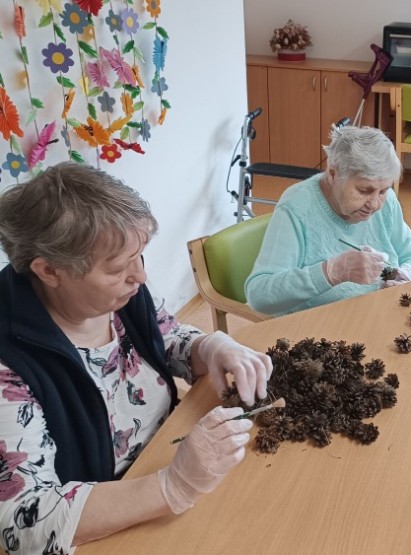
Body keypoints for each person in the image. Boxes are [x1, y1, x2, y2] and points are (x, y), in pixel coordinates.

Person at [0, 163, 273, 552]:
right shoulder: (9, 366)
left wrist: (209, 347)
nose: (140, 277)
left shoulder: (116, 292)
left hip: (172, 459)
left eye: (139, 256)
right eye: (117, 268)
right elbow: (23, 521)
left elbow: (166, 336)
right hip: (111, 526)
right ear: (49, 270)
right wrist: (172, 487)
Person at [245, 125, 411, 317]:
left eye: (382, 191)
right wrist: (332, 272)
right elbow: (259, 295)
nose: (374, 204)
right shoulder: (297, 208)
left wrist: (406, 274)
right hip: (321, 325)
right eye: (364, 191)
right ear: (333, 174)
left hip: (378, 312)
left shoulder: (387, 201)